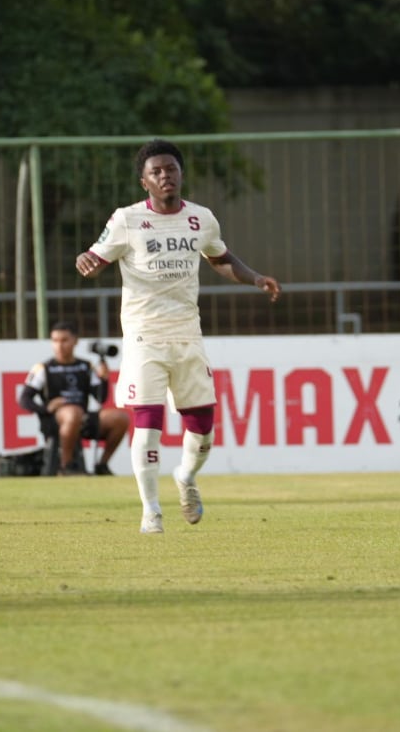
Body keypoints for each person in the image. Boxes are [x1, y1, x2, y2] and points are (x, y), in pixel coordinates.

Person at [76, 139, 281, 534]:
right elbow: (96, 257)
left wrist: (255, 277)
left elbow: (219, 258)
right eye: (156, 172)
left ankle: (186, 476)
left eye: (171, 168)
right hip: (143, 337)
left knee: (203, 428)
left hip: (187, 336)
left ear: (180, 173)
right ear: (144, 182)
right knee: (148, 422)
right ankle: (151, 509)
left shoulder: (201, 218)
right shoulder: (127, 220)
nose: (165, 176)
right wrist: (85, 261)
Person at [17, 320, 131, 476]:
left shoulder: (85, 366)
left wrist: (104, 379)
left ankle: (102, 465)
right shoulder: (44, 368)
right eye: (55, 341)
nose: (59, 345)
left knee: (120, 418)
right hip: (55, 420)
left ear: (75, 341)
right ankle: (66, 466)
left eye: (64, 340)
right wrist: (45, 408)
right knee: (72, 412)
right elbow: (24, 399)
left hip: (82, 418)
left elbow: (101, 399)